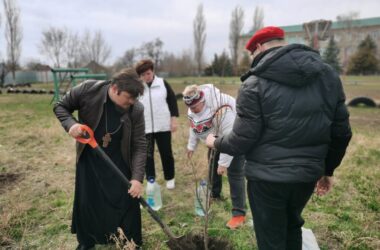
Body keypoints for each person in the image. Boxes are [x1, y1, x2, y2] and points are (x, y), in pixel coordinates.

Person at [206, 26, 352, 249]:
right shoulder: (328, 76)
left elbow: (242, 139)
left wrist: (215, 142)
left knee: (270, 238)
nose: (252, 59)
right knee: (292, 227)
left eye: (251, 54)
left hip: (267, 180)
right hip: (306, 176)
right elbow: (342, 133)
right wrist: (327, 170)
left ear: (258, 47)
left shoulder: (254, 84)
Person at [53, 68, 146, 250]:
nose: (132, 101)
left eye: (135, 98)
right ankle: (87, 242)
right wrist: (71, 124)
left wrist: (136, 178)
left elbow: (140, 145)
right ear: (114, 88)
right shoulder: (88, 90)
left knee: (126, 201)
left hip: (120, 160)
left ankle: (128, 242)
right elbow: (60, 106)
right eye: (128, 97)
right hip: (90, 159)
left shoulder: (136, 108)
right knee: (88, 202)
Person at [183, 84, 247, 229]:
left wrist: (223, 163)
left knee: (235, 174)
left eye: (194, 107)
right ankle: (215, 195)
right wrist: (191, 146)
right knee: (212, 167)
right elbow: (194, 126)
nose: (192, 110)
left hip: (235, 138)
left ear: (202, 101)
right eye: (190, 108)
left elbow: (229, 136)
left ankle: (239, 214)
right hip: (214, 138)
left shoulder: (221, 108)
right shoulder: (192, 107)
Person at [135, 59, 179, 189]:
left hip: (163, 126)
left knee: (166, 153)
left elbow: (172, 101)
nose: (146, 77)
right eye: (143, 75)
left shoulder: (162, 83)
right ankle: (150, 180)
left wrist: (173, 119)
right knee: (147, 155)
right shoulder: (138, 88)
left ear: (152, 71)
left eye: (148, 73)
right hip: (145, 127)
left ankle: (170, 178)